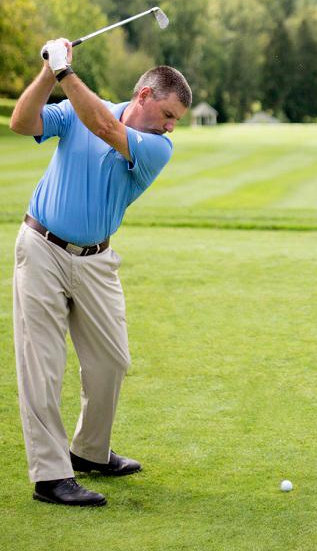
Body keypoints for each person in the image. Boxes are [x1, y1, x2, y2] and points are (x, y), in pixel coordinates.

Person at [10, 37, 192, 507]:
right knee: (43, 366)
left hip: (97, 262)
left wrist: (66, 72)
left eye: (176, 121)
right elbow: (22, 121)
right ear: (145, 96)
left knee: (112, 362)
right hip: (42, 247)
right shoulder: (74, 109)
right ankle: (50, 476)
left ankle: (89, 452)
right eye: (169, 114)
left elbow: (106, 127)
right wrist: (49, 71)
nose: (171, 128)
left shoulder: (154, 148)